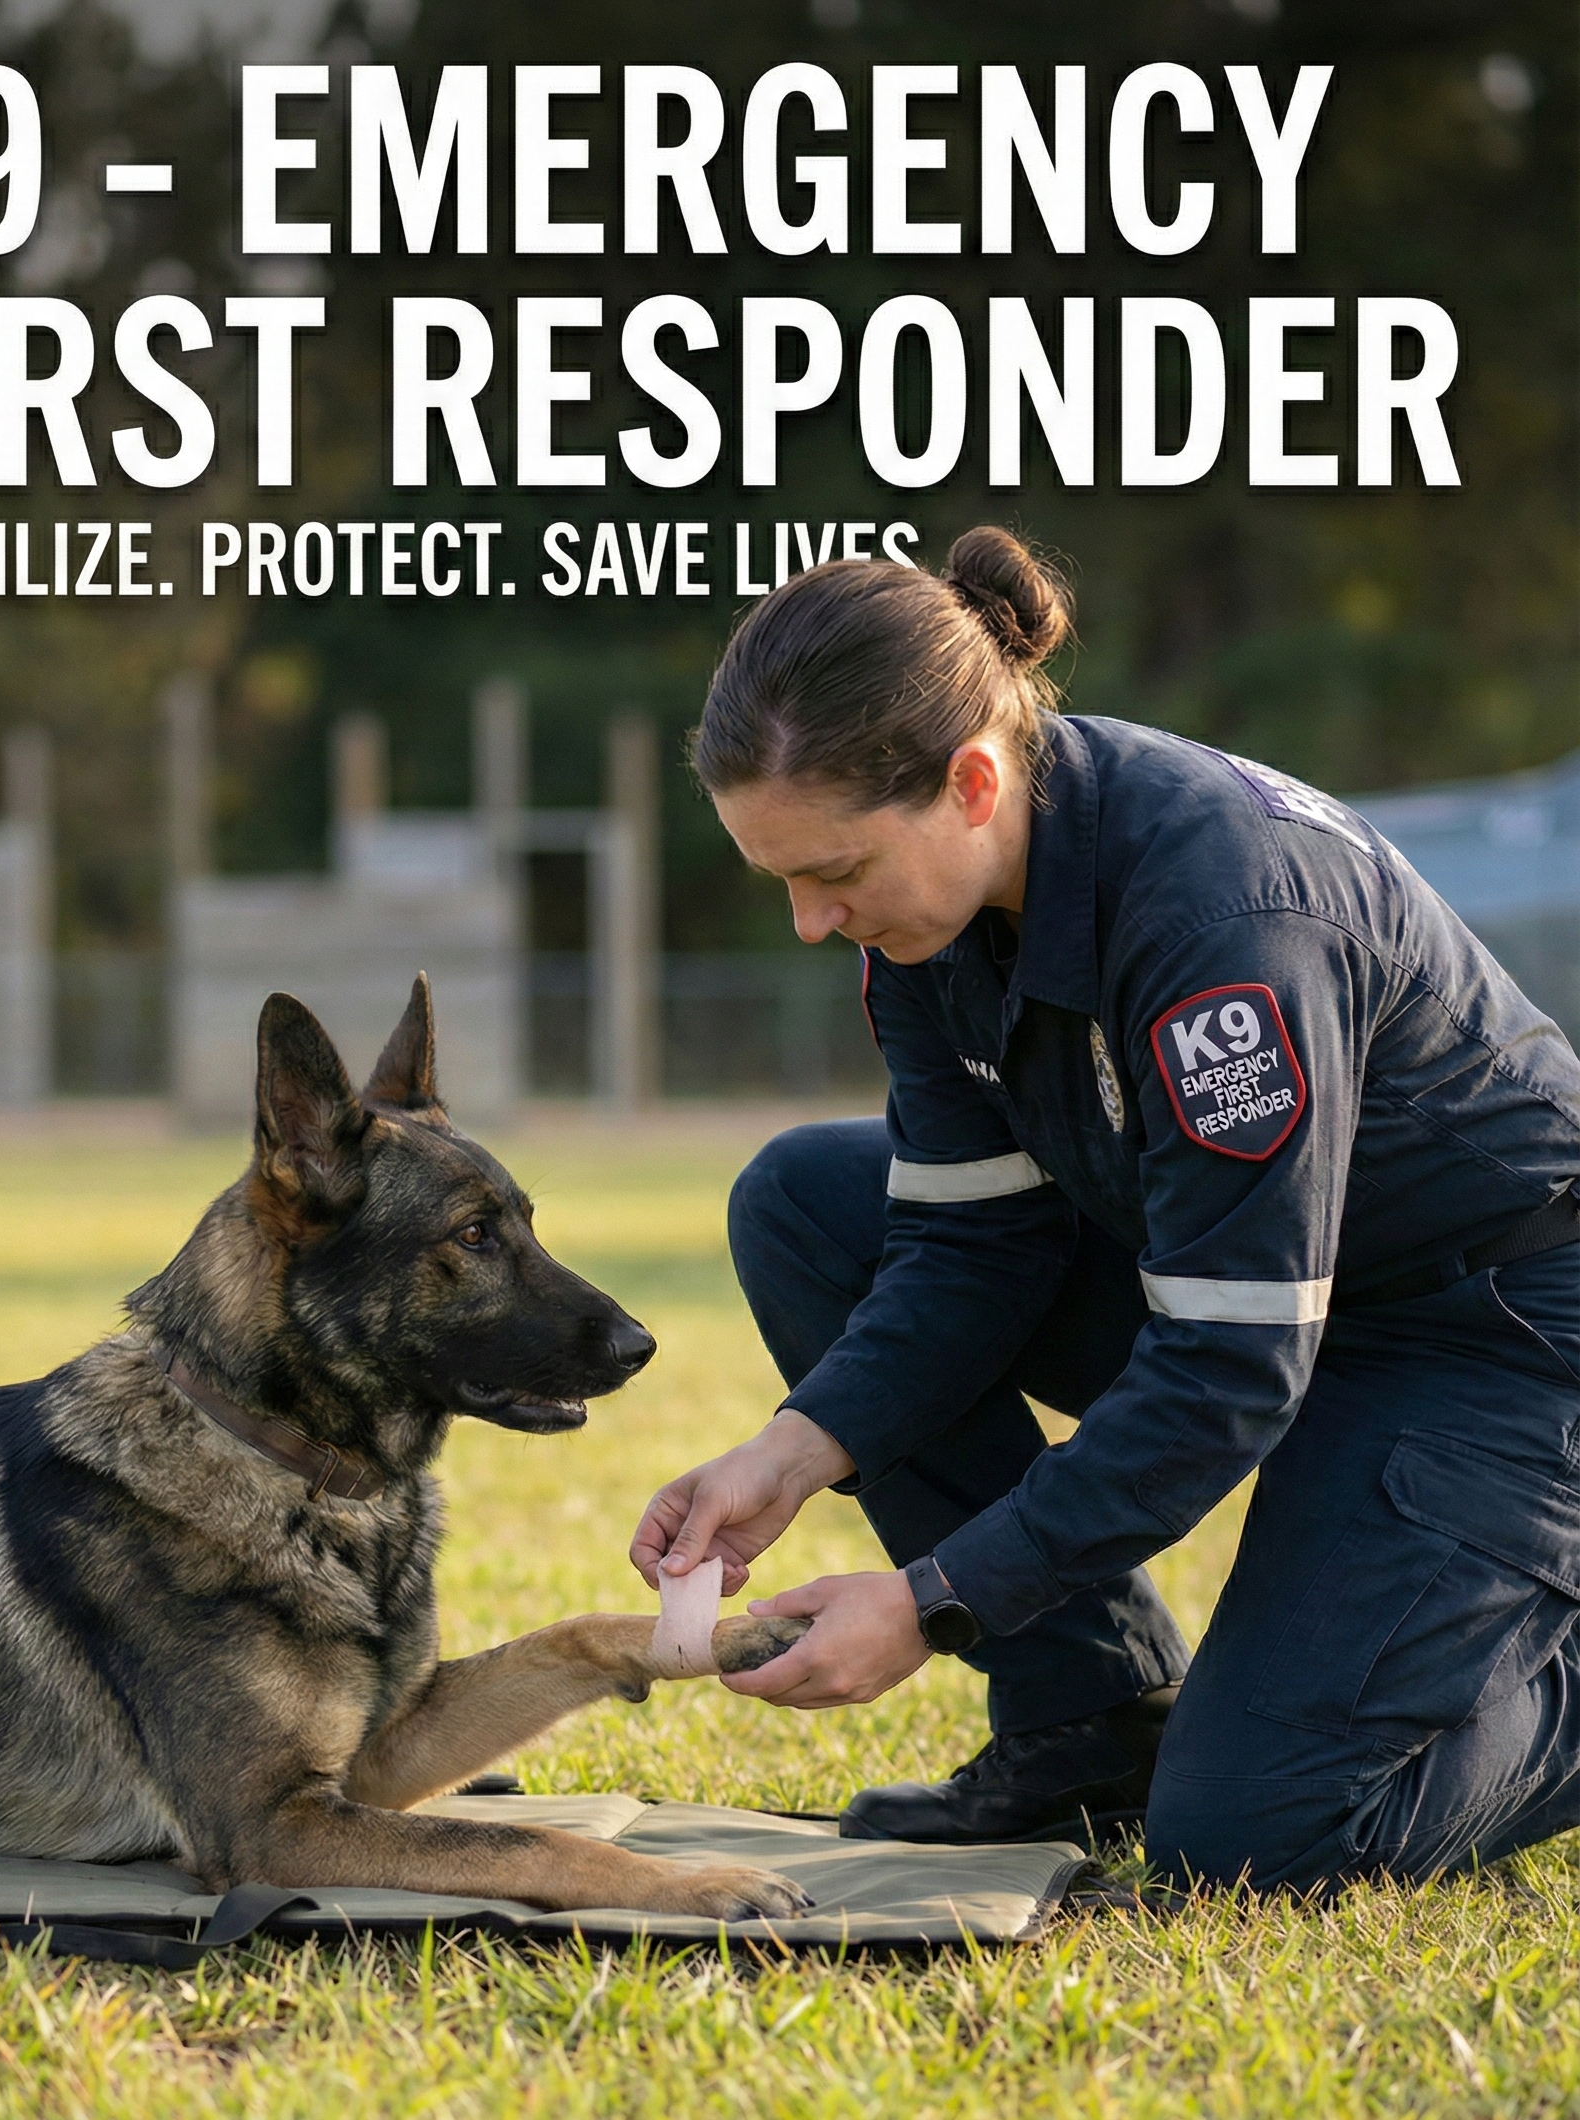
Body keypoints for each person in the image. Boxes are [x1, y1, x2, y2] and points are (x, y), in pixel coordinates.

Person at [630, 526, 1580, 1892]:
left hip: (1489, 1339)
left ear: (972, 783)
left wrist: (932, 1600)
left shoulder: (1220, 926)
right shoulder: (934, 922)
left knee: (1259, 1840)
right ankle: (1091, 1719)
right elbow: (970, 1249)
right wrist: (787, 1456)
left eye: (834, 873)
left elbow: (1228, 1367)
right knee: (808, 1203)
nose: (808, 922)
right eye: (781, 879)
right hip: (1275, 1297)